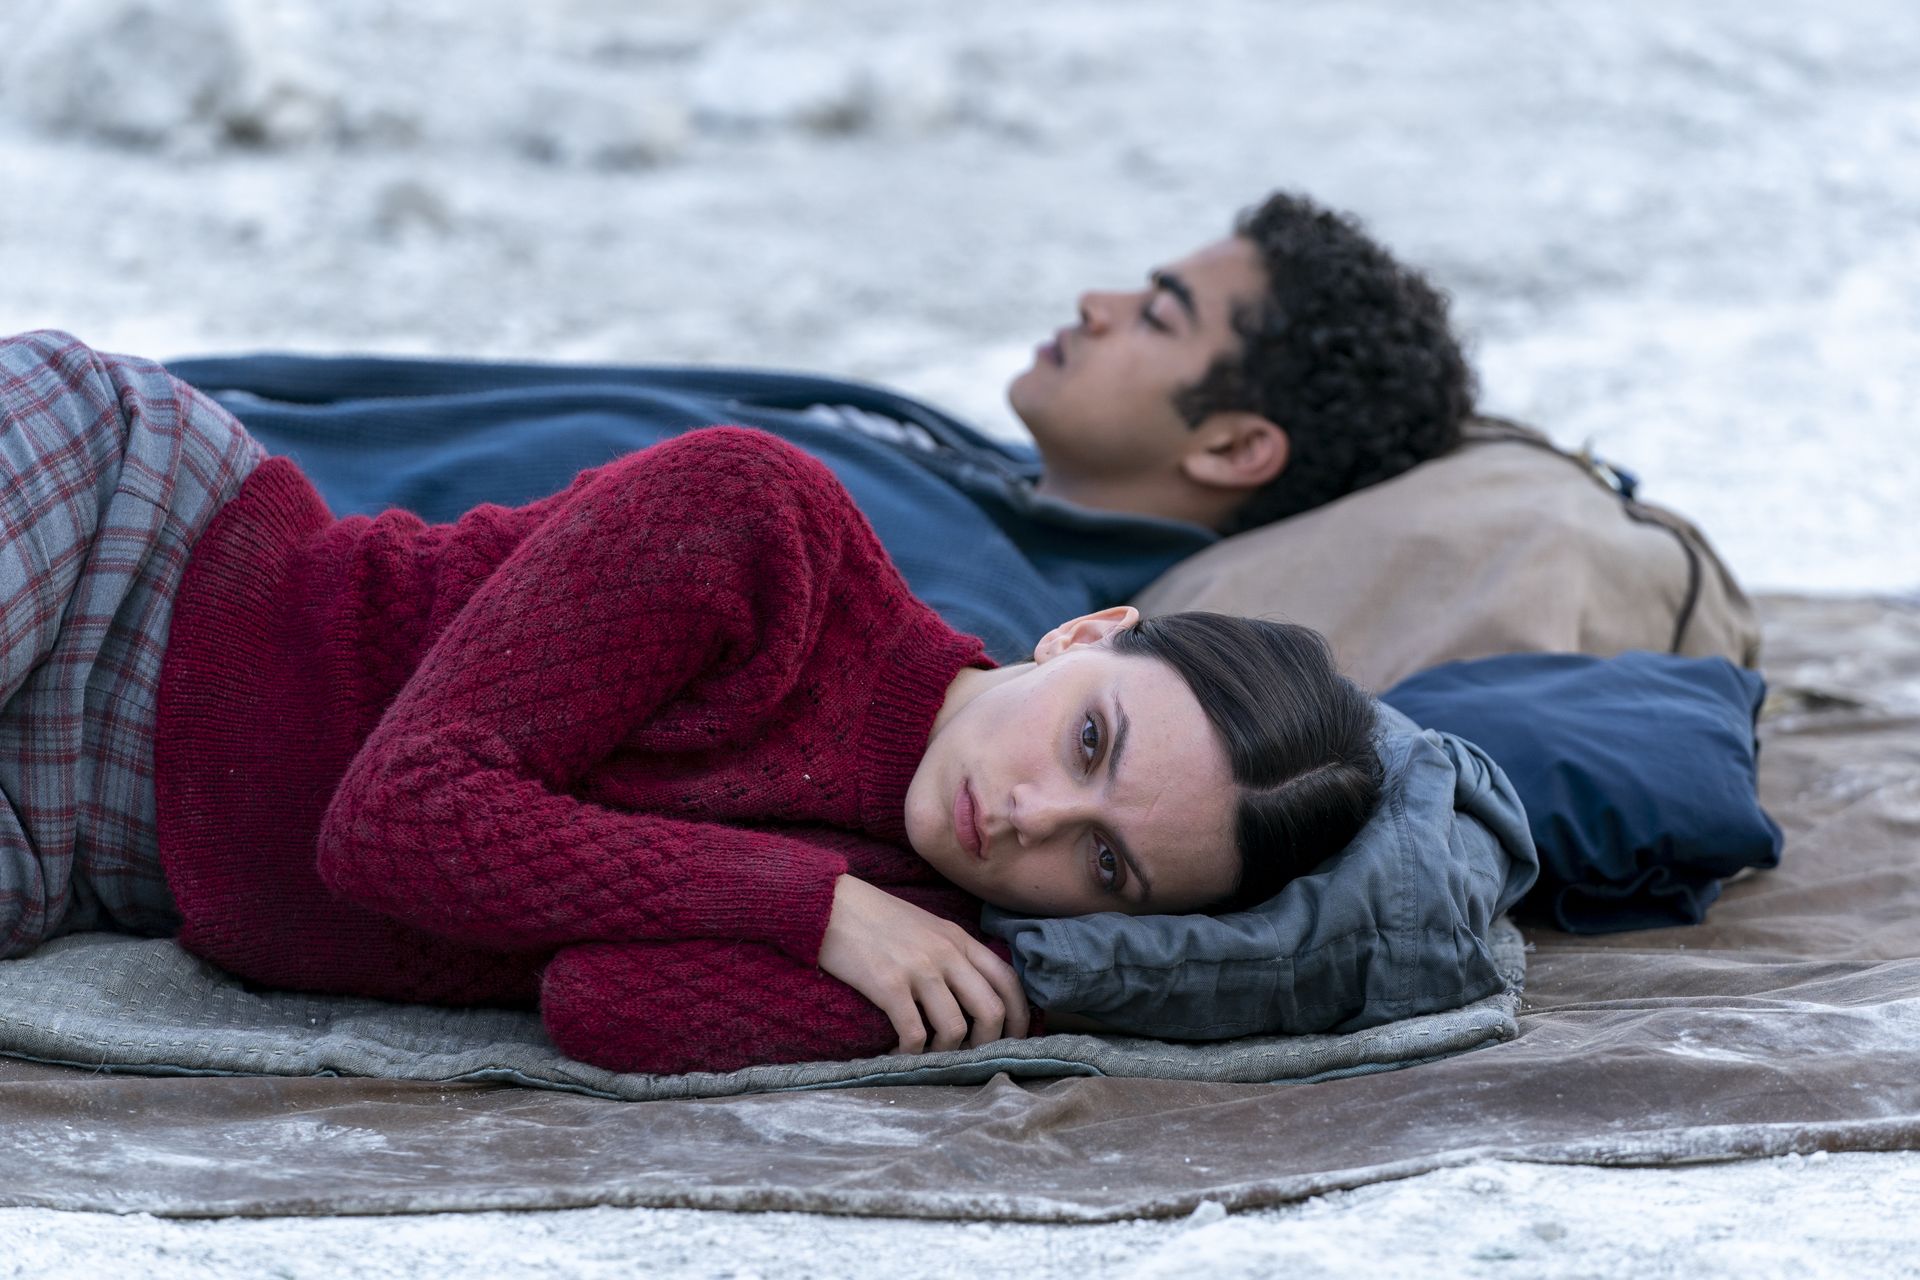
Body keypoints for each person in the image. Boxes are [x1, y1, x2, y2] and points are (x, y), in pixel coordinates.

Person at [0, 331, 1382, 1077]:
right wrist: (811, 903)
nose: (1026, 817)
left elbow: (616, 1009)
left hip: (85, 845)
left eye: (1106, 861)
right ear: (1088, 632)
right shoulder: (760, 526)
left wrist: (1043, 984)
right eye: (1090, 740)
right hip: (132, 550)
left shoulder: (930, 934)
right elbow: (396, 823)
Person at [166, 190, 1475, 662]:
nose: (1099, 299)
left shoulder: (957, 603)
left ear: (1233, 448)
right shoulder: (948, 466)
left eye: (1162, 314)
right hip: (168, 431)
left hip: (174, 552)